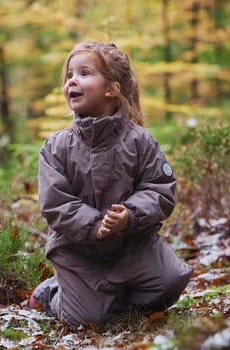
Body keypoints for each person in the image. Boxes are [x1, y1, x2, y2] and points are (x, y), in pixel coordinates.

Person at [29, 41, 193, 328]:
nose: (72, 81)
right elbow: (56, 203)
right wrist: (95, 225)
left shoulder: (140, 140)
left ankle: (111, 294)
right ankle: (52, 293)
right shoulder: (56, 147)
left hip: (132, 245)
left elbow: (160, 188)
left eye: (84, 73)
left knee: (171, 281)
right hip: (78, 251)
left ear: (111, 89)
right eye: (69, 75)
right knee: (87, 319)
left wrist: (129, 215)